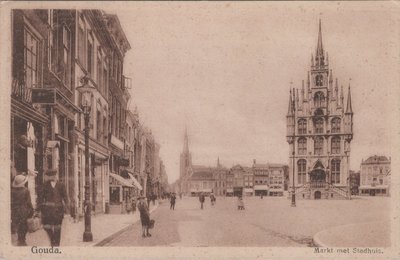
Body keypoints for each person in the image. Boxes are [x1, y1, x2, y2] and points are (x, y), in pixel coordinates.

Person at [39, 169, 69, 247]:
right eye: (50, 176)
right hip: (47, 211)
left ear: (55, 176)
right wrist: (40, 208)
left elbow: (65, 197)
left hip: (58, 210)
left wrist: (67, 208)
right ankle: (52, 240)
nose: (52, 177)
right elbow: (41, 198)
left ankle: (56, 245)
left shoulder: (61, 185)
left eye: (54, 175)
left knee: (57, 228)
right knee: (46, 227)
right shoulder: (44, 185)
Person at [11, 174, 33, 246]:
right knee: (23, 226)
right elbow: (29, 202)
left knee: (17, 225)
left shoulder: (12, 191)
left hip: (14, 211)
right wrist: (31, 211)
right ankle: (22, 240)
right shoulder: (26, 190)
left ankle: (20, 240)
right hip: (23, 211)